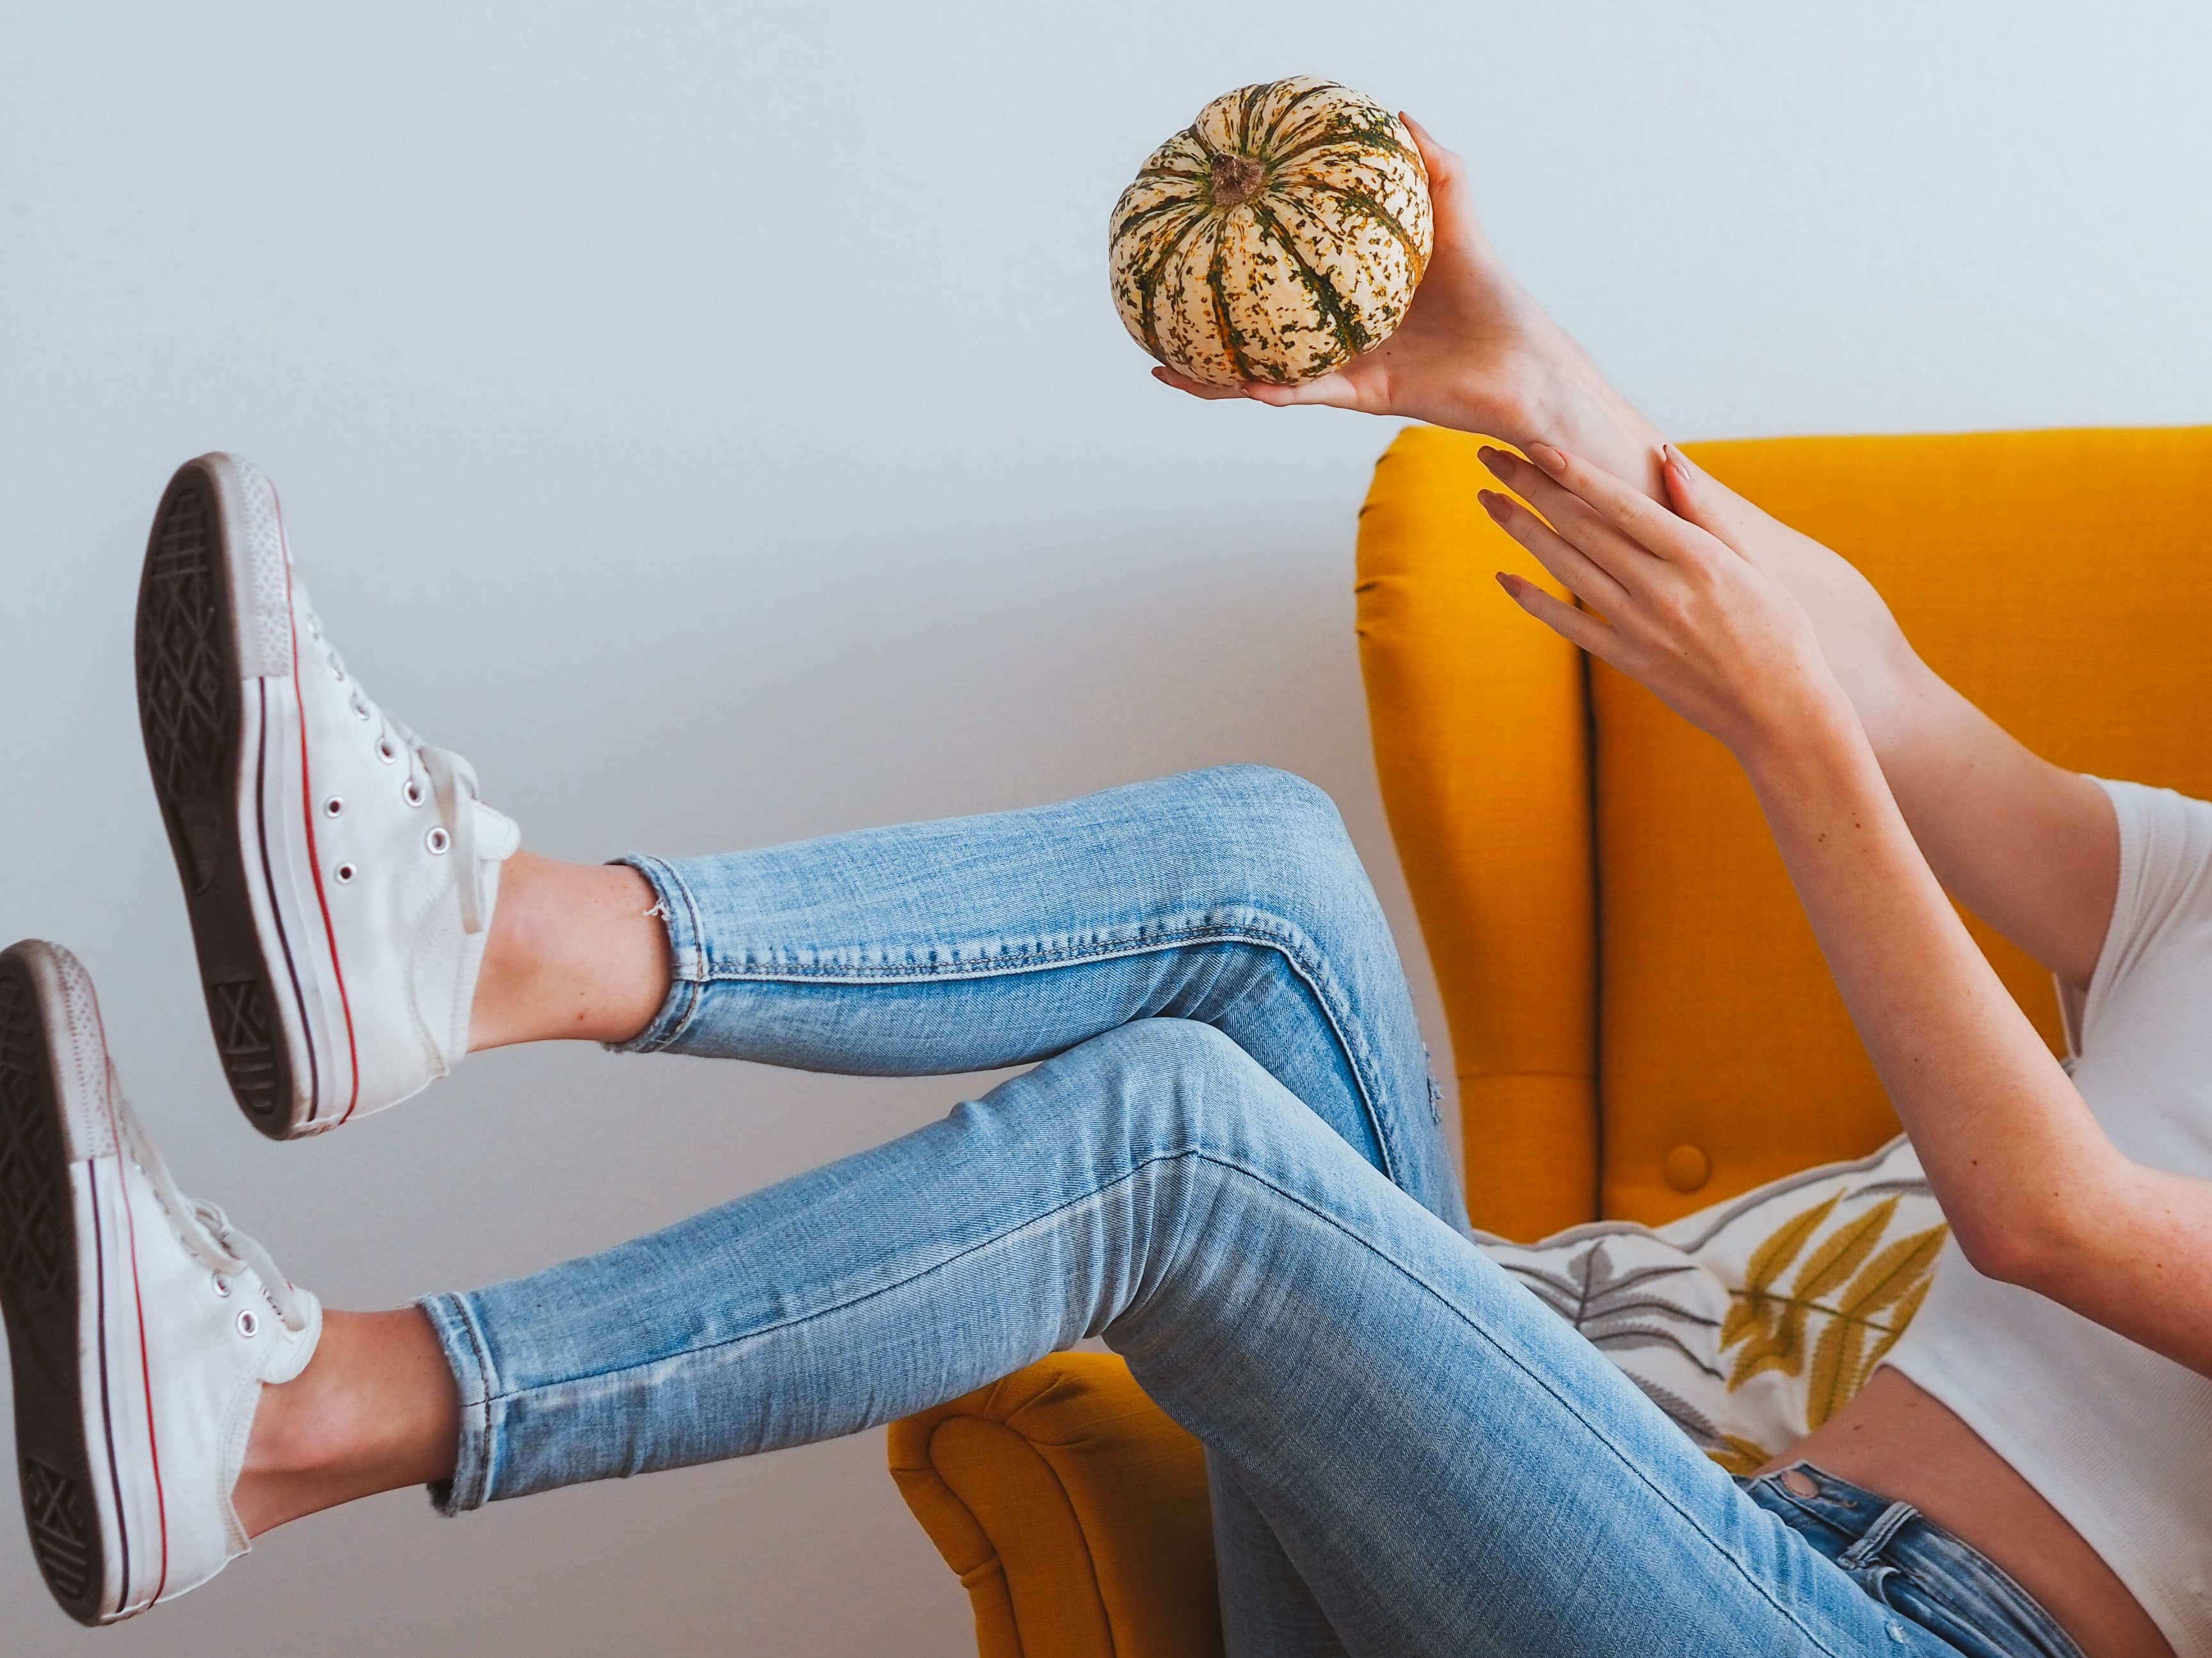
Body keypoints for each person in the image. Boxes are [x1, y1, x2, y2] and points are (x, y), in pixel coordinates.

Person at [1, 130, 2199, 1658]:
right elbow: (1889, 677)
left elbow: (2056, 1219)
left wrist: (1784, 744)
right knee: (1266, 876)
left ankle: (293, 1422)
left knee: (1186, 1145)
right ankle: (482, 944)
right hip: (1670, 1550)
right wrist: (1527, 379)